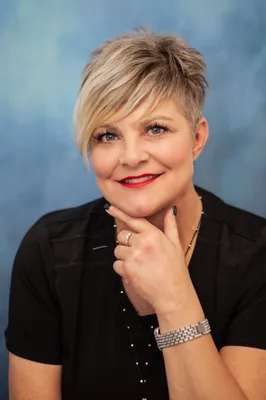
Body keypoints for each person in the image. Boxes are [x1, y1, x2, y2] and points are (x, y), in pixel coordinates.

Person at [5, 27, 266, 400]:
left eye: (155, 129)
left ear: (197, 138)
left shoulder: (257, 255)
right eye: (107, 135)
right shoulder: (48, 251)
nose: (130, 157)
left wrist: (175, 298)